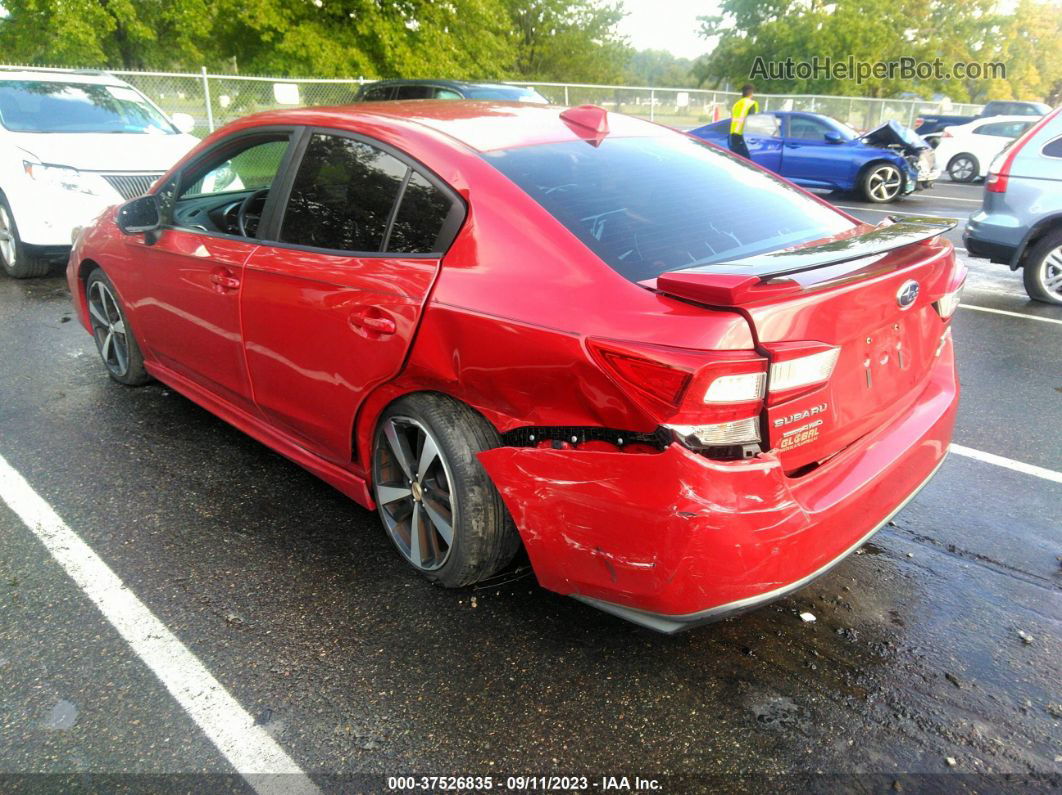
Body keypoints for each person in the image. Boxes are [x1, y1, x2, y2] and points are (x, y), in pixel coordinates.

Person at [729, 84, 758, 159]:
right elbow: (752, 121)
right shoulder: (751, 104)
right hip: (745, 136)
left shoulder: (736, 104)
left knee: (736, 159)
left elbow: (733, 118)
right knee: (746, 161)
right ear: (751, 93)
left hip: (733, 134)